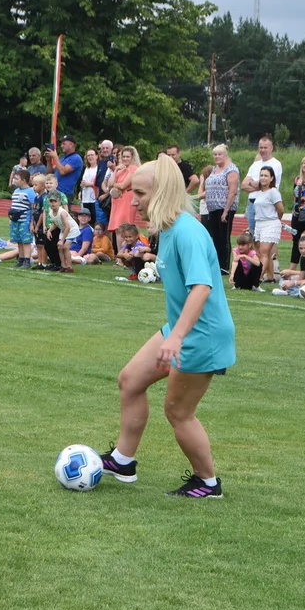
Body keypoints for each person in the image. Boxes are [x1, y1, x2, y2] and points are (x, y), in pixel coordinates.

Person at [97, 154, 235, 498]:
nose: (134, 201)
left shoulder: (187, 232)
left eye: (141, 193)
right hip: (181, 329)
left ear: (162, 194)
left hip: (200, 336)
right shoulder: (171, 229)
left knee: (178, 411)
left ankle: (208, 483)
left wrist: (176, 336)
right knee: (130, 380)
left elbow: (201, 288)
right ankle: (123, 461)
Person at [202, 144, 240, 272]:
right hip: (213, 208)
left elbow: (232, 191)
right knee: (215, 237)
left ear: (225, 155)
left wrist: (226, 211)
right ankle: (217, 264)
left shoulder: (231, 169)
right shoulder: (214, 169)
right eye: (215, 154)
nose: (217, 157)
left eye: (219, 154)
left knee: (224, 237)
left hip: (224, 207)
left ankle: (224, 265)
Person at [240, 135, 283, 239]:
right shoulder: (255, 165)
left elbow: (267, 185)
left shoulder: (276, 164)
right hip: (252, 203)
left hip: (267, 203)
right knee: (253, 236)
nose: (263, 150)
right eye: (261, 147)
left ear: (271, 148)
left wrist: (252, 183)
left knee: (268, 237)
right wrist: (258, 185)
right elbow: (243, 185)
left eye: (265, 147)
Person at [251, 165, 283, 284]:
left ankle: (257, 277)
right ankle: (270, 277)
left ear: (271, 178)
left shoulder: (273, 192)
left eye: (266, 175)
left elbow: (280, 209)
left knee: (264, 252)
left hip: (270, 223)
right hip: (259, 223)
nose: (263, 178)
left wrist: (276, 220)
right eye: (261, 175)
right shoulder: (259, 193)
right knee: (263, 253)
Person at [108, 146, 142, 238]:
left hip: (127, 199)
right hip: (117, 200)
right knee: (118, 228)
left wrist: (114, 184)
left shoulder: (133, 169)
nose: (125, 159)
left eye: (128, 157)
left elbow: (123, 185)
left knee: (125, 227)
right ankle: (119, 251)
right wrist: (115, 170)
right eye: (124, 156)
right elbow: (109, 183)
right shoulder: (120, 169)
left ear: (132, 157)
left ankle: (125, 250)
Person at [46, 192, 80, 272]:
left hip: (71, 230)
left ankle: (69, 266)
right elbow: (55, 223)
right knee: (60, 248)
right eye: (51, 201)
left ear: (59, 202)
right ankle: (63, 266)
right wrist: (49, 230)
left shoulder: (62, 212)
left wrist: (62, 240)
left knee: (65, 247)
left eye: (55, 201)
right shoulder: (51, 212)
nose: (53, 203)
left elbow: (68, 227)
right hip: (64, 229)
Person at [45, 134, 83, 204]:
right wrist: (49, 161)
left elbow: (63, 172)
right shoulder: (62, 158)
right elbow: (50, 173)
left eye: (64, 144)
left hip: (65, 194)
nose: (61, 146)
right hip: (53, 192)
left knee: (63, 214)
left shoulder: (76, 158)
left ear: (71, 145)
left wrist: (55, 157)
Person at [79, 149, 100, 223]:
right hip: (85, 197)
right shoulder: (87, 169)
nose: (90, 157)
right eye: (88, 155)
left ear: (96, 156)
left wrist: (89, 184)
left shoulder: (99, 168)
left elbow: (100, 182)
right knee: (86, 219)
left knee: (95, 219)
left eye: (92, 155)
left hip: (94, 198)